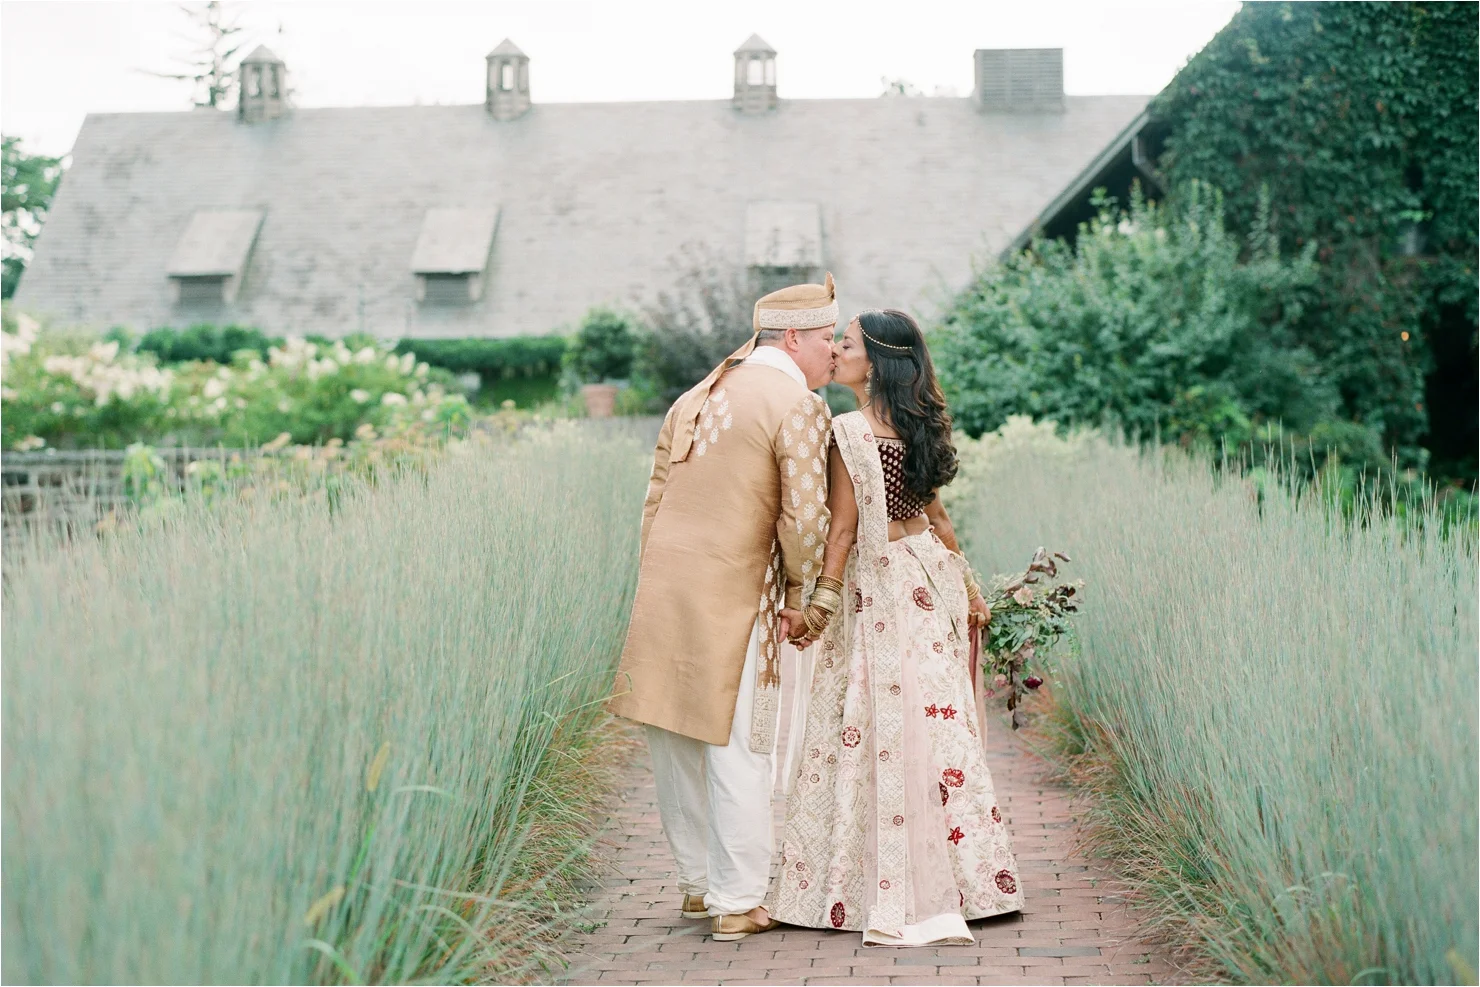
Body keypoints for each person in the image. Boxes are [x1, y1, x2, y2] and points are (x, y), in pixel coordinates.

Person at [767, 309, 1024, 946]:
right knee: (938, 722)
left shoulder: (849, 431)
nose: (835, 354)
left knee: (873, 723)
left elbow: (845, 533)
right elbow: (940, 520)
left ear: (875, 361)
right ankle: (975, 883)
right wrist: (967, 590)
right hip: (928, 579)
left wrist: (819, 607)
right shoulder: (914, 429)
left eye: (846, 345)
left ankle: (866, 883)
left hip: (879, 590)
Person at [608, 274, 840, 942]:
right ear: (793, 337)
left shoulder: (697, 393)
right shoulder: (794, 402)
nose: (832, 353)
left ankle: (697, 884)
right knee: (739, 744)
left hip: (663, 589)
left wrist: (658, 579)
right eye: (827, 339)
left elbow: (653, 502)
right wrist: (805, 596)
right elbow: (805, 515)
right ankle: (737, 899)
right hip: (734, 594)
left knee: (675, 735)